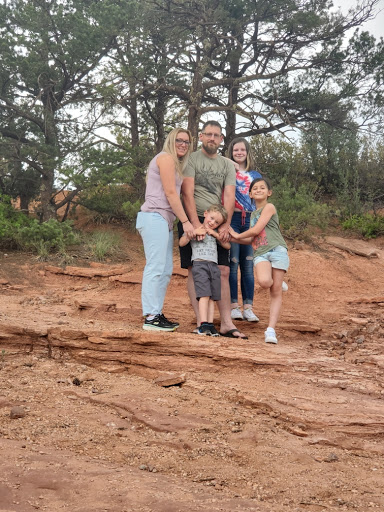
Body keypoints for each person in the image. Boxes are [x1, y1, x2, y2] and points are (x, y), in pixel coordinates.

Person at [179, 120, 248, 339]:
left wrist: (225, 225)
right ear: (201, 136)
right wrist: (193, 223)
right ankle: (203, 322)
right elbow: (187, 193)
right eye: (208, 134)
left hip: (218, 221)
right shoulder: (192, 159)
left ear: (221, 139)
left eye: (216, 135)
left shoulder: (227, 165)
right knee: (194, 268)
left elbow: (229, 195)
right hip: (195, 218)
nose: (212, 138)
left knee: (224, 270)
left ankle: (226, 323)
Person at [136, 128, 194, 332]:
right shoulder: (166, 158)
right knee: (155, 266)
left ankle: (156, 313)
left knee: (165, 269)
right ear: (171, 140)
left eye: (186, 141)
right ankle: (151, 316)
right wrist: (186, 222)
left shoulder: (177, 164)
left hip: (163, 220)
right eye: (179, 140)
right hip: (154, 217)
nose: (183, 144)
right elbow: (171, 193)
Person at [229, 177, 289, 344]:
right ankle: (278, 280)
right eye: (255, 189)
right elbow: (252, 239)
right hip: (261, 253)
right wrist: (232, 239)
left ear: (269, 192)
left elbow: (256, 230)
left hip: (277, 249)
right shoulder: (252, 214)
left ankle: (270, 330)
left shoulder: (269, 207)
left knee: (275, 291)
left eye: (262, 188)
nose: (258, 190)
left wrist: (236, 234)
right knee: (264, 282)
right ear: (250, 194)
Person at [179, 204, 230, 336]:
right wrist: (194, 233)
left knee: (212, 297)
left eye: (217, 222)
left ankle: (210, 325)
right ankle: (202, 323)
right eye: (211, 218)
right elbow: (182, 242)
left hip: (213, 265)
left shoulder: (214, 233)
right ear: (206, 214)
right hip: (200, 264)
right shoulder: (196, 228)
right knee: (204, 295)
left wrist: (216, 235)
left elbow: (227, 245)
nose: (212, 222)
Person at [226, 137, 262, 323]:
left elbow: (260, 199)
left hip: (249, 219)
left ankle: (248, 307)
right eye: (235, 150)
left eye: (242, 150)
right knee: (232, 264)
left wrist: (260, 224)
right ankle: (234, 306)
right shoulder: (227, 170)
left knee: (247, 266)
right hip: (232, 219)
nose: (239, 153)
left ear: (247, 152)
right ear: (231, 153)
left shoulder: (255, 175)